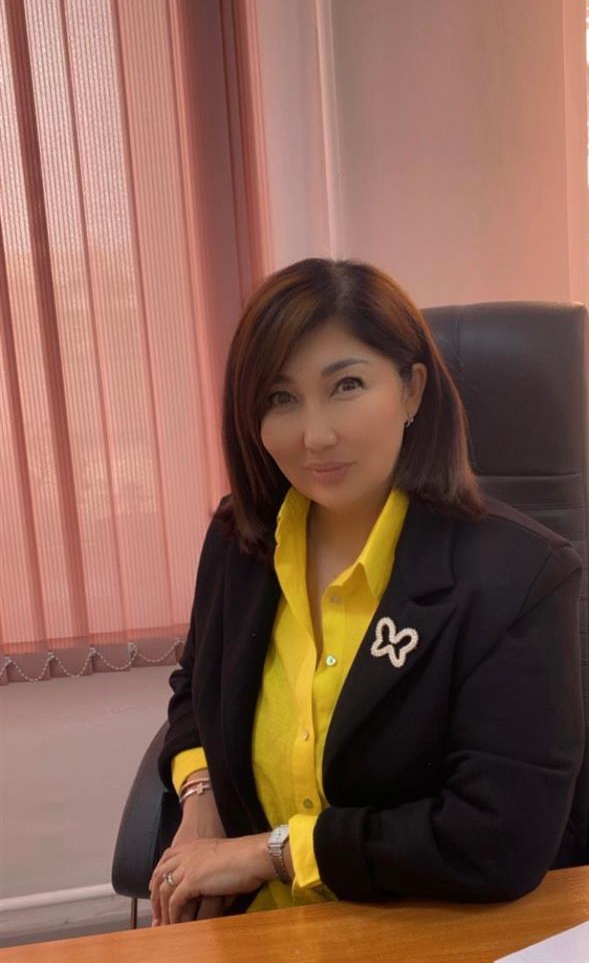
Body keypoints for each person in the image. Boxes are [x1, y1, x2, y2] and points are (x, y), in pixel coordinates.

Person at [150, 258, 585, 926]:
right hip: (263, 929)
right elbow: (196, 686)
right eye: (280, 398)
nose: (315, 435)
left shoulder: (518, 576)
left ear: (412, 391)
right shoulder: (241, 543)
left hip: (428, 928)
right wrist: (200, 797)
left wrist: (271, 853)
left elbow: (495, 837)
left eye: (346, 385)